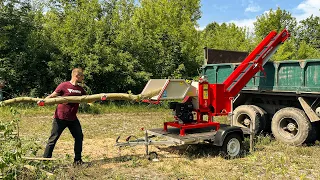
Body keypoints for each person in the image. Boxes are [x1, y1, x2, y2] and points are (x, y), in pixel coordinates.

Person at [42, 68, 86, 166]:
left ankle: (77, 161)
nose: (83, 78)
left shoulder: (80, 89)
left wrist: (101, 97)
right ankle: (45, 162)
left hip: (73, 118)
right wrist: (43, 101)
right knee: (53, 140)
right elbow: (53, 96)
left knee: (79, 137)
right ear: (77, 75)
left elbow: (89, 99)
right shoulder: (64, 85)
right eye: (82, 75)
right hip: (60, 118)